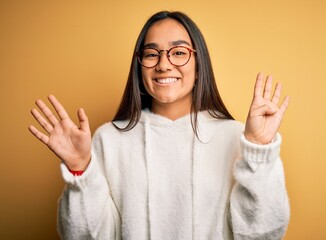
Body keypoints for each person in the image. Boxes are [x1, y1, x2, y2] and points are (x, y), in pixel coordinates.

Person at [29, 11, 290, 240]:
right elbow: (86, 237)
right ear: (139, 67)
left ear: (199, 66)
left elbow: (263, 234)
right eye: (152, 54)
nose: (164, 65)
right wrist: (80, 171)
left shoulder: (236, 137)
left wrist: (258, 150)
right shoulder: (109, 139)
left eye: (178, 52)